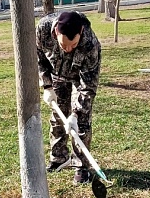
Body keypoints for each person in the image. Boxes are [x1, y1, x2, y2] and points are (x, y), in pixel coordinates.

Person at [36, 10, 101, 185]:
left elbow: (88, 86)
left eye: (73, 45)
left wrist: (76, 113)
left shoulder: (90, 44)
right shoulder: (43, 29)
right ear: (56, 32)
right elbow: (39, 58)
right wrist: (47, 86)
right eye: (64, 45)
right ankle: (59, 157)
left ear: (80, 34)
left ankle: (81, 166)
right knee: (58, 117)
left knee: (81, 123)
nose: (68, 49)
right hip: (56, 76)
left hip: (80, 79)